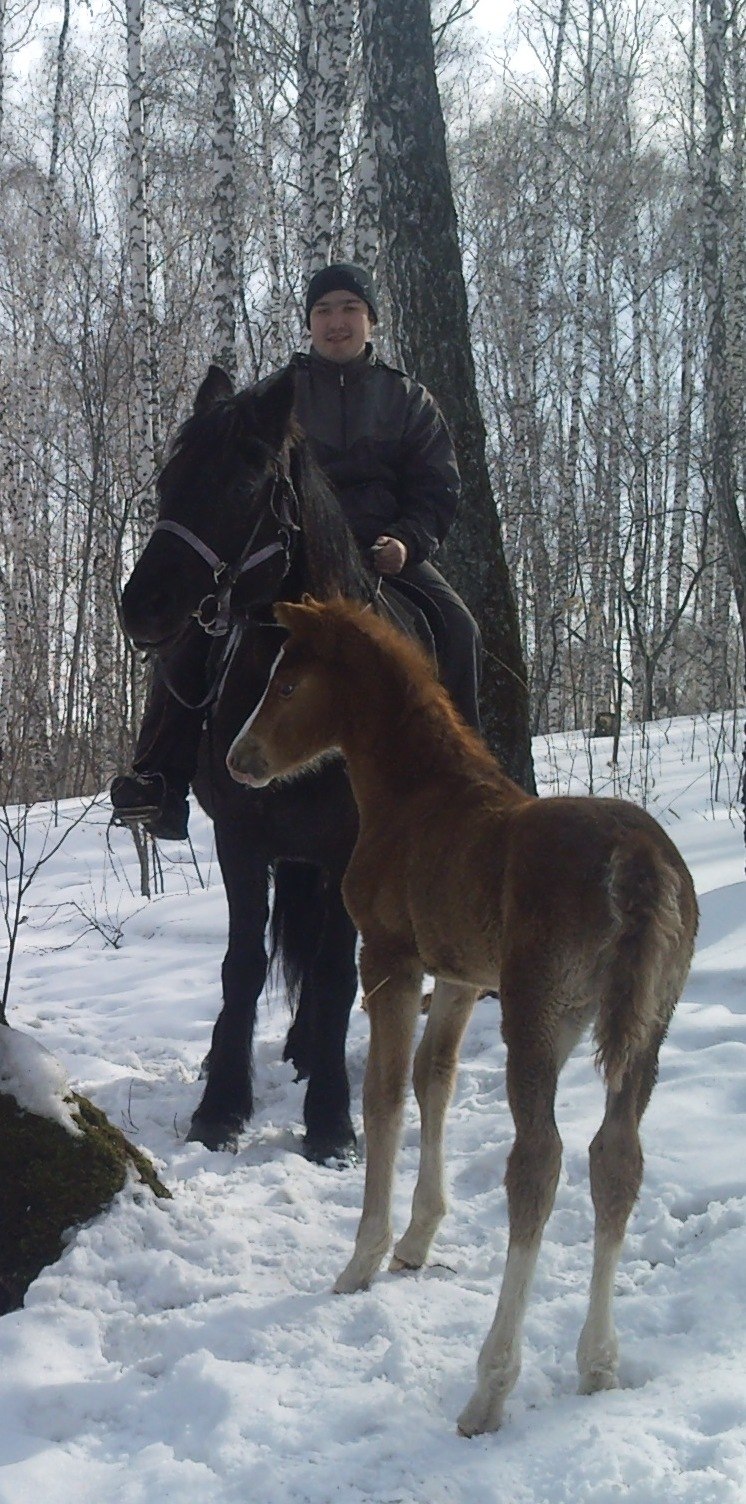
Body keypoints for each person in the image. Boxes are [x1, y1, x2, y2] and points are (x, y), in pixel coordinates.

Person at [111, 263, 482, 839]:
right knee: (194, 631)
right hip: (285, 554)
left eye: (348, 309)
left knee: (458, 628)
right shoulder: (274, 396)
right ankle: (159, 778)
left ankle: (465, 781)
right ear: (310, 323)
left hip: (383, 551)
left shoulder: (406, 398)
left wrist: (407, 541)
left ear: (371, 320)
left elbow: (438, 486)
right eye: (323, 311)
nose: (336, 323)